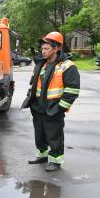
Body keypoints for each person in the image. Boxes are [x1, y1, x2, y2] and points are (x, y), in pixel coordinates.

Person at [21, 32, 80, 172]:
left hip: (54, 108)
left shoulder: (67, 66)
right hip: (38, 107)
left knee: (54, 136)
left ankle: (55, 160)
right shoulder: (40, 64)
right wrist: (31, 100)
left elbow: (73, 90)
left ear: (56, 48)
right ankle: (42, 156)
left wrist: (61, 108)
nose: (43, 51)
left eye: (46, 48)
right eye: (42, 48)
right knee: (39, 134)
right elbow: (33, 84)